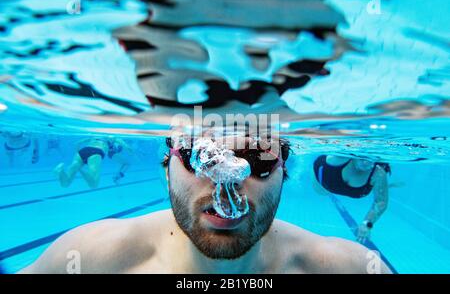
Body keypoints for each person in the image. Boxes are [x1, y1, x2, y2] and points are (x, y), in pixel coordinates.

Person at [21, 129, 391, 274]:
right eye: (199, 155)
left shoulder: (351, 269)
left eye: (258, 158)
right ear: (167, 168)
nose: (225, 180)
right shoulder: (87, 258)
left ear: (283, 171)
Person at [312, 155, 391, 243]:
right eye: (362, 158)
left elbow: (381, 202)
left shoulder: (378, 173)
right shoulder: (340, 158)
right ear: (355, 155)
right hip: (324, 179)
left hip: (333, 184)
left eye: (371, 160)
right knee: (321, 192)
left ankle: (384, 186)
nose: (366, 163)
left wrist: (367, 223)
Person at [53, 136, 132, 189]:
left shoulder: (94, 136)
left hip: (82, 151)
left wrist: (78, 154)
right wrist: (131, 150)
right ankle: (80, 169)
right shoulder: (112, 137)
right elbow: (126, 146)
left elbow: (77, 143)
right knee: (94, 184)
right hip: (96, 152)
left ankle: (60, 171)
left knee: (65, 184)